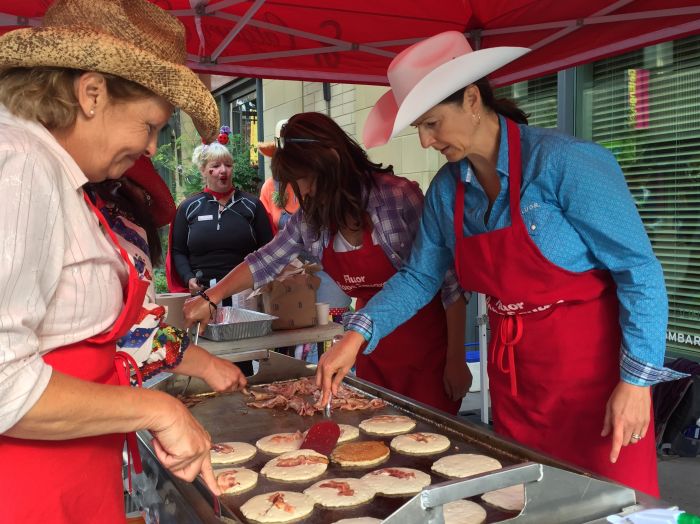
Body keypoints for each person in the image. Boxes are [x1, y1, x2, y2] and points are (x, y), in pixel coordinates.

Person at [315, 31, 688, 496]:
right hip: (516, 381)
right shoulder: (448, 191)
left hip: (594, 379)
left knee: (604, 502)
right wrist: (357, 334)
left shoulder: (565, 164)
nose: (427, 143)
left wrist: (636, 383)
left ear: (472, 99)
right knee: (525, 499)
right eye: (419, 130)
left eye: (432, 124)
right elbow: (419, 277)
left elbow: (640, 271)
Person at [0, 1, 224, 521]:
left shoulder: (59, 173)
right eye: (150, 125)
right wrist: (158, 408)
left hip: (73, 469)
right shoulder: (21, 166)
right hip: (26, 487)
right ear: (91, 93)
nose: (149, 147)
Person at [184, 112, 471, 414]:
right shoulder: (311, 220)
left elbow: (448, 281)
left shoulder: (396, 198)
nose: (302, 192)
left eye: (305, 180)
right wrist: (211, 297)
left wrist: (456, 358)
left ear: (331, 163)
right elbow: (265, 261)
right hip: (366, 346)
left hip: (429, 346)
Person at [90, 157, 247, 392]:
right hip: (91, 387)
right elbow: (134, 331)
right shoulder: (118, 230)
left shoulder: (93, 220)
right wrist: (208, 366)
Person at [169, 140, 273, 376]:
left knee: (242, 357)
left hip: (243, 293)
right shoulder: (189, 207)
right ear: (204, 170)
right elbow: (177, 251)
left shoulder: (251, 205)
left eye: (228, 164)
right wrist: (187, 278)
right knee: (205, 356)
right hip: (202, 292)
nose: (223, 170)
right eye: (216, 165)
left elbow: (268, 249)